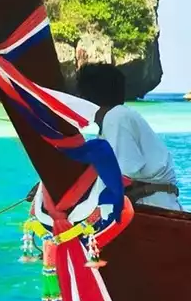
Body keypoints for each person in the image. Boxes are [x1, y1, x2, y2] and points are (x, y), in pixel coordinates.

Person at [75, 63, 183, 211]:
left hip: (152, 207)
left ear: (85, 99)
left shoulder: (116, 117)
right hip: (154, 203)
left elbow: (123, 173)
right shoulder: (116, 118)